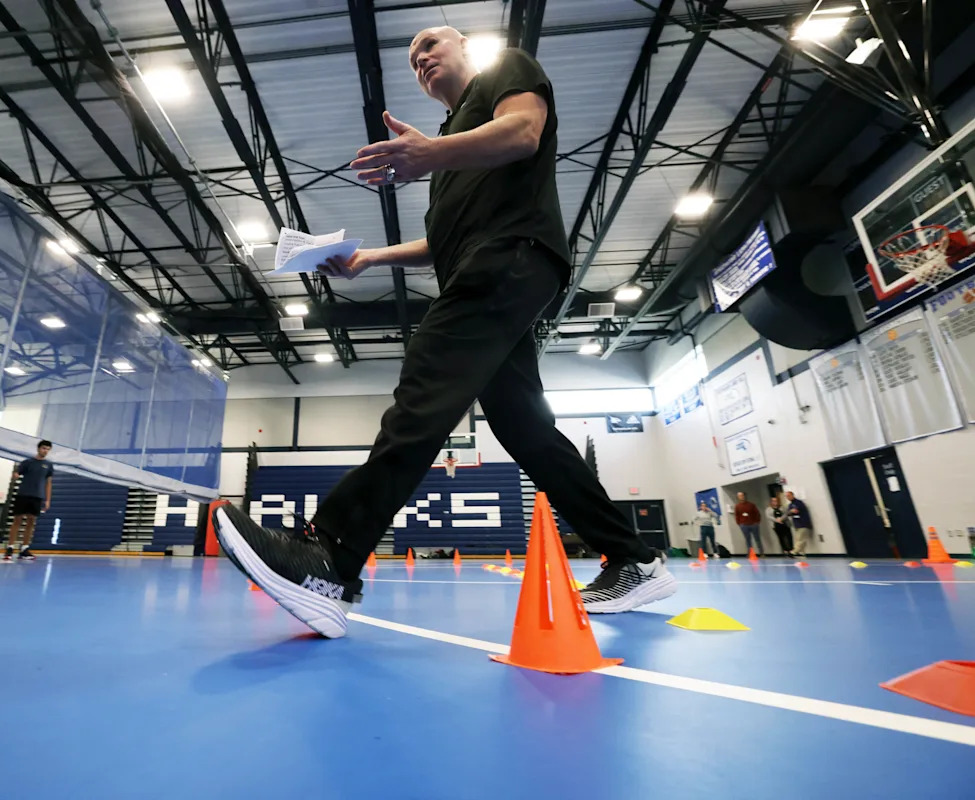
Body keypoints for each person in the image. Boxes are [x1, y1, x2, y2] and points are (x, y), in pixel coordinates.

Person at [212, 27, 676, 638]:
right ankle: (634, 560)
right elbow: (442, 245)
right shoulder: (449, 160)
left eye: (432, 45)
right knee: (525, 428)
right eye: (412, 59)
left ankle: (330, 558)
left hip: (512, 257)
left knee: (428, 380)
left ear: (465, 49)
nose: (421, 58)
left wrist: (431, 152)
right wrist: (367, 259)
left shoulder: (505, 72)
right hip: (490, 266)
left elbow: (524, 133)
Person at [4, 440, 53, 561]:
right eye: (43, 448)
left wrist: (47, 500)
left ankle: (24, 549)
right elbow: (16, 474)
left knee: (31, 522)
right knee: (17, 520)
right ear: (38, 449)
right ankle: (10, 547)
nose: (45, 451)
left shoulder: (49, 465)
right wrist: (15, 476)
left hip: (37, 496)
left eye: (47, 449)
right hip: (23, 494)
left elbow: (48, 483)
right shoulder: (27, 462)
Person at [734, 491, 763, 556]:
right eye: (739, 496)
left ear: (744, 496)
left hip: (753, 524)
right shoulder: (737, 506)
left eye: (742, 495)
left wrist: (757, 522)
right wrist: (739, 523)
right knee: (747, 539)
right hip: (744, 525)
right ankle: (750, 553)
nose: (741, 497)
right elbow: (737, 515)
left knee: (757, 538)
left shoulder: (751, 505)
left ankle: (761, 553)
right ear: (738, 497)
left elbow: (757, 513)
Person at [785, 491, 813, 557]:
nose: (788, 497)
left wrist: (792, 511)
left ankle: (794, 552)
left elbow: (796, 511)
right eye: (786, 496)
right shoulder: (790, 505)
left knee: (801, 539)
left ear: (792, 495)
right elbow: (788, 513)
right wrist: (790, 511)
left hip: (803, 523)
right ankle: (801, 553)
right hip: (797, 524)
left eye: (789, 495)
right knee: (798, 539)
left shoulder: (798, 503)